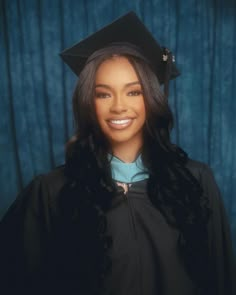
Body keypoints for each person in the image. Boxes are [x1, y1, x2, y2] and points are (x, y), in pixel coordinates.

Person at [0, 11, 235, 295]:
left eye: (133, 92)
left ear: (151, 98)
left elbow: (220, 281)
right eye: (103, 94)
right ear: (89, 103)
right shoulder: (52, 193)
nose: (119, 106)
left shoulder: (194, 183)